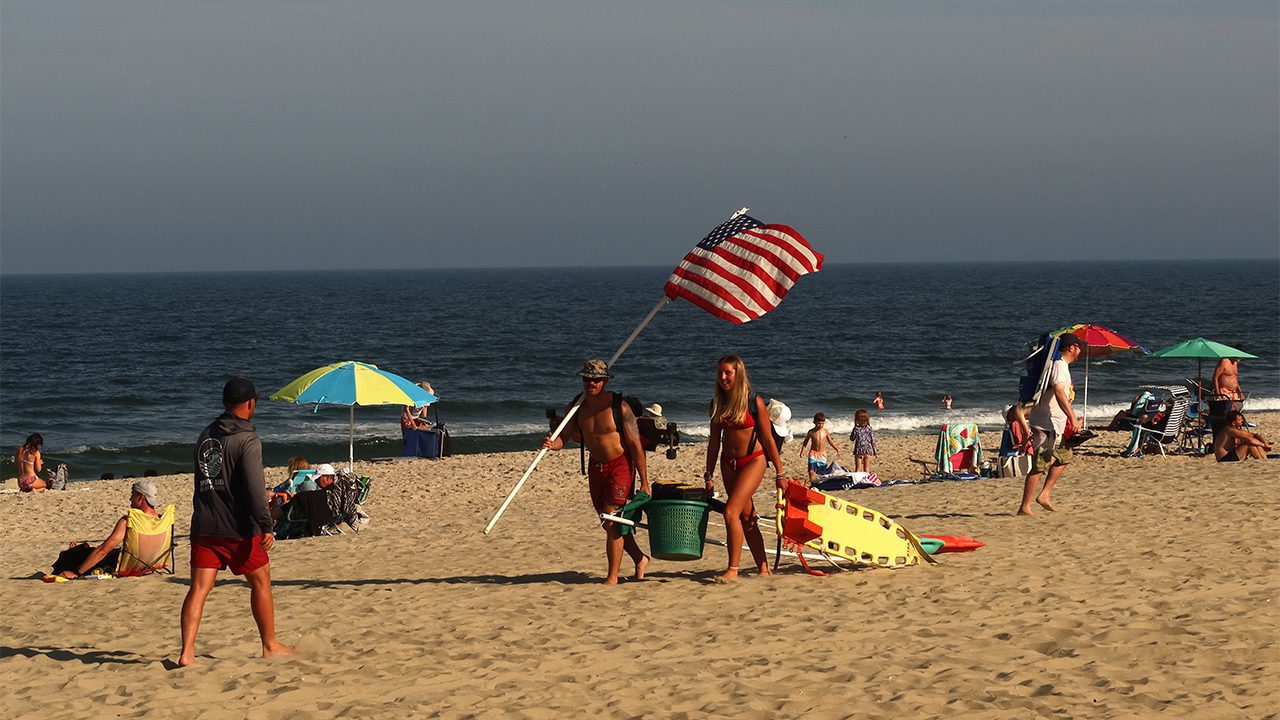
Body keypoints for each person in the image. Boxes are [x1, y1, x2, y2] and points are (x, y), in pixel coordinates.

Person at [179, 377, 294, 667]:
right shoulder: (248, 439)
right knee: (261, 581)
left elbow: (205, 479)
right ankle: (270, 645)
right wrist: (266, 524)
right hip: (239, 527)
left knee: (199, 588)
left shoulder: (206, 433)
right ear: (250, 403)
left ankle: (187, 652)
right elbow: (255, 487)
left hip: (205, 524)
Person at [542, 360, 650, 585]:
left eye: (596, 380)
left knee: (611, 519)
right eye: (586, 379)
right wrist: (552, 444)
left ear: (605, 381)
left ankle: (612, 577)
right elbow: (564, 438)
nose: (591, 383)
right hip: (595, 466)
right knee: (608, 521)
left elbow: (636, 445)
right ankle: (640, 559)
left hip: (620, 465)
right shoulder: (576, 407)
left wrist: (644, 482)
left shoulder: (620, 408)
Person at [704, 354, 786, 581]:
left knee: (731, 512)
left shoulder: (754, 401)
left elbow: (768, 439)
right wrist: (708, 475)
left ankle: (733, 570)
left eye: (728, 373)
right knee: (747, 517)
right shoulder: (717, 404)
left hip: (753, 461)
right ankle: (763, 568)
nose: (723, 377)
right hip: (728, 464)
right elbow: (714, 442)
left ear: (738, 374)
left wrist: (780, 473)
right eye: (720, 373)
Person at [1018, 333, 1084, 517]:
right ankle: (1024, 507)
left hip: (1057, 425)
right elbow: (1058, 392)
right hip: (1045, 424)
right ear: (1071, 348)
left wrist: (1072, 419)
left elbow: (1063, 397)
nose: (1080, 352)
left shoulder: (1062, 367)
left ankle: (1045, 494)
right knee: (1040, 466)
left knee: (1065, 457)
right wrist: (1072, 418)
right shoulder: (1059, 366)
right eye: (1079, 347)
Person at [54, 481, 162, 578]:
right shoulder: (161, 521)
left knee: (70, 555)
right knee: (87, 551)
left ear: (140, 497)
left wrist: (76, 573)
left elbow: (103, 551)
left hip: (126, 565)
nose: (130, 499)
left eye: (132, 494)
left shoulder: (129, 521)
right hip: (148, 565)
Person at [799, 412, 842, 482]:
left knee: (821, 473)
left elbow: (830, 441)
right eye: (819, 423)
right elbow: (806, 441)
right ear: (814, 422)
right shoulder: (811, 432)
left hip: (822, 454)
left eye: (822, 423)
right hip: (813, 453)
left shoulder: (825, 431)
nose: (820, 425)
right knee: (811, 471)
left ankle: (818, 484)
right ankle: (812, 482)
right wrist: (803, 450)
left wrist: (837, 449)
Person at [849, 409, 878, 473]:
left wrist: (854, 432)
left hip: (858, 450)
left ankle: (857, 479)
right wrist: (875, 451)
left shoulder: (856, 428)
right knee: (866, 469)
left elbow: (852, 438)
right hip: (867, 450)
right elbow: (873, 441)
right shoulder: (869, 428)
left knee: (858, 468)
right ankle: (866, 478)